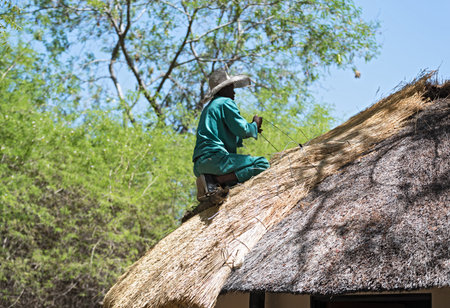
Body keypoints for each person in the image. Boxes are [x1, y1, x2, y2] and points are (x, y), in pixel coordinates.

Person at [192, 70, 270, 205]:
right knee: (261, 164)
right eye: (231, 87)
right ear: (224, 89)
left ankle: (212, 182)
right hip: (215, 158)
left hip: (201, 163)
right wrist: (255, 124)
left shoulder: (209, 107)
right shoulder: (225, 102)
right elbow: (242, 130)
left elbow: (230, 132)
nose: (234, 92)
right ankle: (217, 180)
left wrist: (252, 128)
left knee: (240, 173)